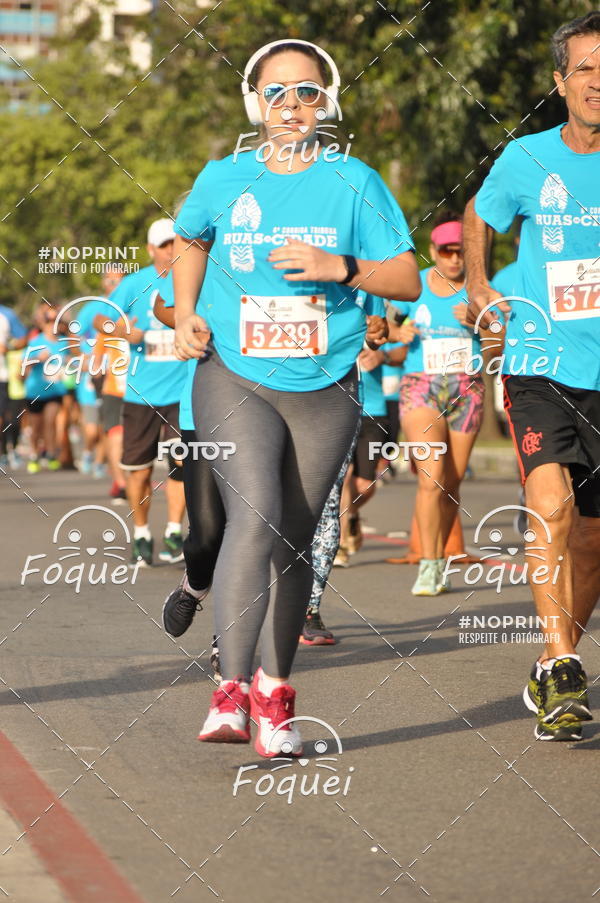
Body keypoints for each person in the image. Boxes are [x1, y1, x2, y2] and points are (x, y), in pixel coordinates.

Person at [172, 38, 420, 757]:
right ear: (255, 102)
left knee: (294, 539)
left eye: (307, 91)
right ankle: (229, 689)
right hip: (234, 372)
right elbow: (190, 238)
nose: (292, 105)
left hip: (326, 382)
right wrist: (188, 308)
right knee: (255, 513)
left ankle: (276, 696)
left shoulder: (355, 182)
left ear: (326, 102)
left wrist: (340, 265)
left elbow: (407, 278)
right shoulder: (224, 177)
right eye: (276, 92)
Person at [464, 11, 600, 741]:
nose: (597, 81)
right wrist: (481, 283)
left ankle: (556, 660)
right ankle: (564, 665)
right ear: (561, 81)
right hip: (541, 364)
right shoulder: (526, 160)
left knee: (592, 542)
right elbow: (479, 214)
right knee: (551, 505)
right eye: (585, 68)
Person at [392, 213, 486, 596]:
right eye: (446, 251)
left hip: (468, 390)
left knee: (451, 484)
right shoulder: (414, 290)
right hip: (422, 389)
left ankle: (442, 559)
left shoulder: (481, 291)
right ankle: (429, 566)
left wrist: (483, 324)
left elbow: (500, 348)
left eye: (460, 251)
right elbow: (392, 349)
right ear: (433, 251)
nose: (453, 259)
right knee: (431, 477)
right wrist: (397, 334)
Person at [100, 220, 188, 566]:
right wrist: (123, 330)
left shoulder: (193, 280)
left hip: (184, 392)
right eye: (163, 245)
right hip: (142, 394)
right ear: (151, 249)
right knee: (139, 470)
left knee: (182, 464)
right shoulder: (134, 284)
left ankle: (173, 530)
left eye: (174, 243)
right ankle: (141, 533)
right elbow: (101, 320)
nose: (170, 250)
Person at [22, 304, 66, 472]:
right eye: (49, 320)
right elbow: (23, 365)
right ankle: (34, 454)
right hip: (35, 391)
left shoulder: (64, 343)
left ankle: (51, 453)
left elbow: (75, 361)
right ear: (43, 323)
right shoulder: (35, 342)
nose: (53, 323)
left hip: (55, 390)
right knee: (36, 426)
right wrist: (37, 359)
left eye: (57, 320)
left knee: (50, 421)